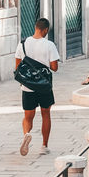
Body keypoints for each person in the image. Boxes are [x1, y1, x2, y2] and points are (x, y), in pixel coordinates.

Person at [15, 18, 60, 156]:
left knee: (28, 116)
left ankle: (26, 134)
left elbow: (17, 66)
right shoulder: (49, 45)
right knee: (46, 114)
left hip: (28, 86)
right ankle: (44, 146)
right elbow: (54, 67)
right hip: (44, 86)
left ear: (35, 27)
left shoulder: (22, 44)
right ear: (45, 30)